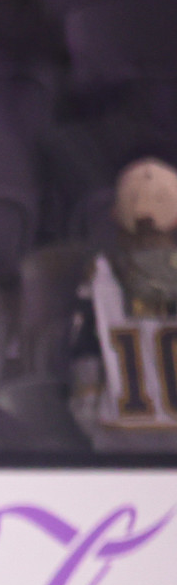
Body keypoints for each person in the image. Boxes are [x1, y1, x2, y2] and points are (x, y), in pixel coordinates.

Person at [70, 158, 177, 451]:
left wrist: (96, 431)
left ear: (116, 215)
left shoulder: (99, 276)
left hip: (120, 447)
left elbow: (85, 372)